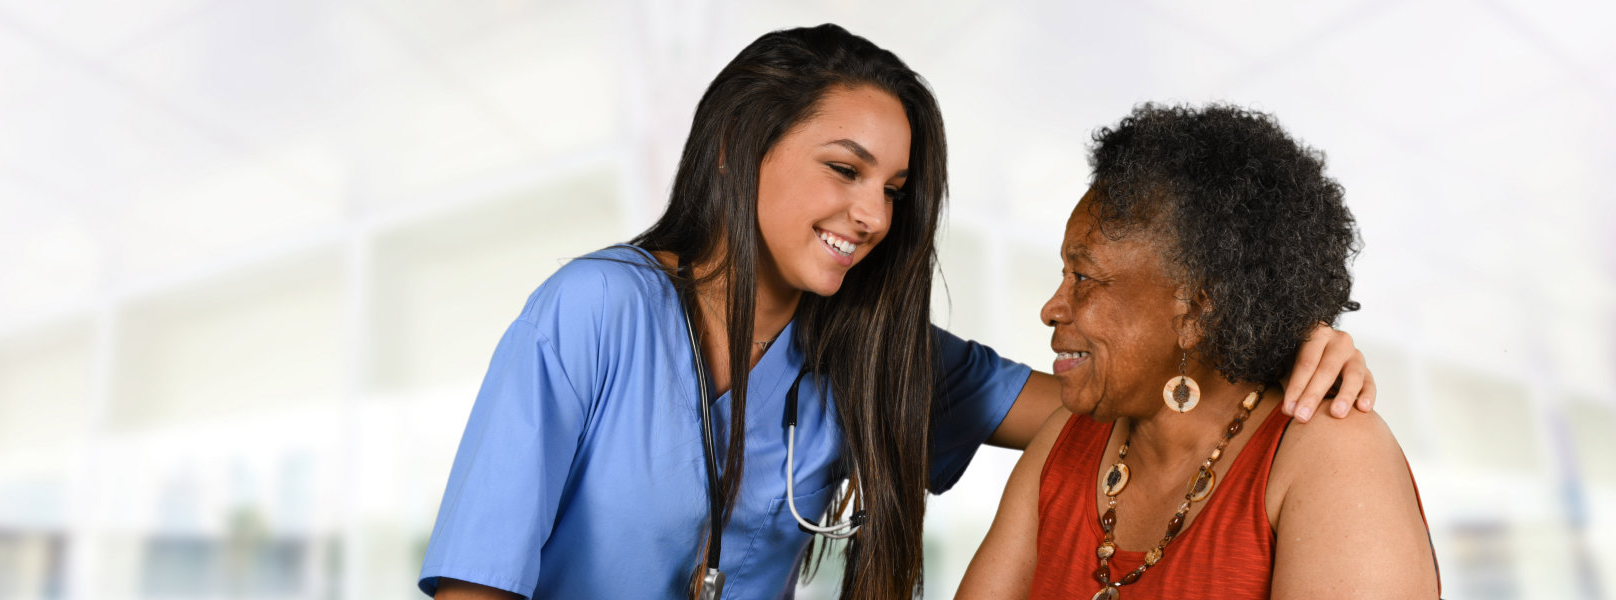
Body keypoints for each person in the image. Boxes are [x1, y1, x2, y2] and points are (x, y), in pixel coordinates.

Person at [422, 27, 1376, 600]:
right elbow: (476, 582)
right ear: (733, 150)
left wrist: (1286, 342)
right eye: (844, 170)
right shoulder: (594, 312)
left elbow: (1143, 404)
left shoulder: (876, 353)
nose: (873, 216)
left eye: (897, 187)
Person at [955, 104, 1437, 600]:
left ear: (1195, 313)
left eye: (1083, 278)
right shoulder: (1065, 439)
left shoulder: (1335, 454)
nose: (1051, 309)